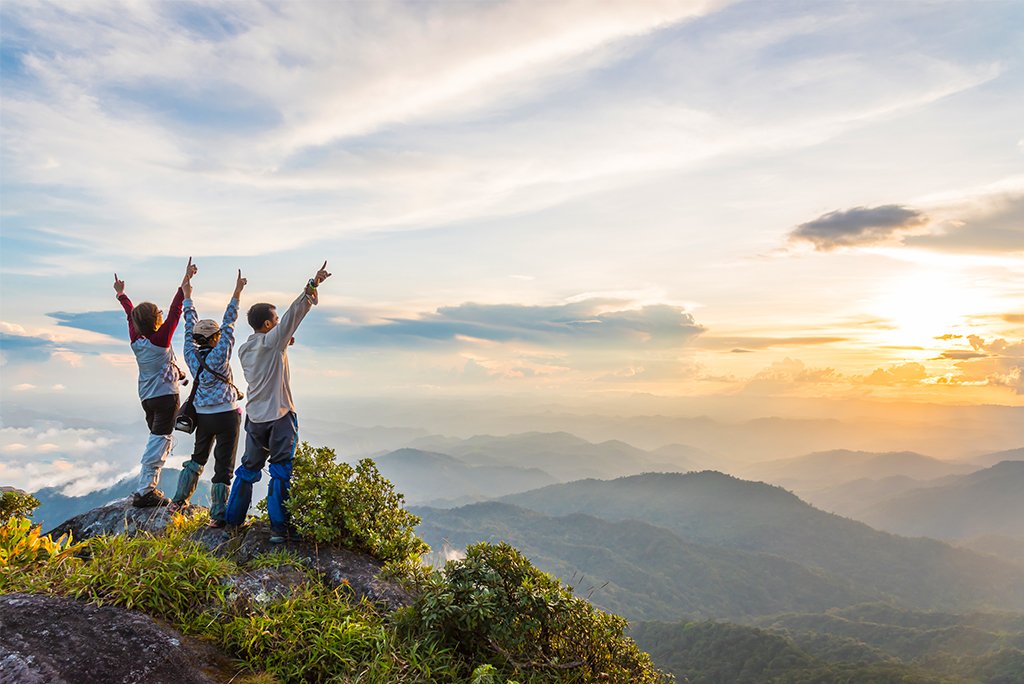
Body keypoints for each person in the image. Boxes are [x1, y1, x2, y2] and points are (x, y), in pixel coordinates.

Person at [224, 261, 332, 542]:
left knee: (248, 468)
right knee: (281, 471)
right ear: (269, 324)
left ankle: (232, 520)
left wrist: (284, 343)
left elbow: (274, 343)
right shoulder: (273, 342)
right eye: (275, 320)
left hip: (255, 418)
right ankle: (278, 529)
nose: (279, 322)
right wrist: (312, 286)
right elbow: (294, 315)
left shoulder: (246, 349)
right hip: (280, 415)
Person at [115, 258, 197, 507]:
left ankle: (147, 487)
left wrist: (122, 295)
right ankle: (145, 490)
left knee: (157, 437)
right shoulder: (160, 340)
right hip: (165, 398)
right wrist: (185, 285)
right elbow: (175, 311)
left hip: (147, 399)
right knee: (160, 440)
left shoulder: (136, 340)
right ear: (155, 320)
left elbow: (131, 315)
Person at [168, 269, 247, 527]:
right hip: (226, 415)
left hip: (203, 416)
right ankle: (217, 515)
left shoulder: (190, 355)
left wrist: (188, 296)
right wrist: (236, 293)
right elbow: (230, 322)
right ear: (216, 338)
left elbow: (189, 323)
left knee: (198, 457)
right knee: (223, 465)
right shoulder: (220, 354)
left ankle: (179, 501)